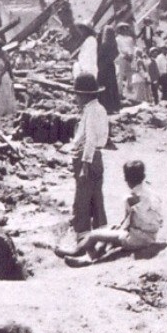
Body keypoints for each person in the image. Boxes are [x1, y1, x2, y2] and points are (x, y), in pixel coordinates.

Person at [55, 160, 163, 261]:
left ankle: (77, 253)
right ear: (143, 176)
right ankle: (93, 257)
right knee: (110, 230)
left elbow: (130, 219)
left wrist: (123, 228)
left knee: (93, 235)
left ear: (126, 179)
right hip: (150, 235)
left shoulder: (132, 198)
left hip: (138, 238)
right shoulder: (150, 193)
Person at [68, 73, 109, 239]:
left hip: (88, 158)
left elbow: (91, 139)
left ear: (84, 95)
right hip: (96, 157)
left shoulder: (92, 111)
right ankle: (101, 235)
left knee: (83, 200)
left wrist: (84, 165)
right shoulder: (99, 109)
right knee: (96, 198)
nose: (76, 98)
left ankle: (82, 238)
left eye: (77, 95)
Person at [97, 25, 121, 113]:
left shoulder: (104, 44)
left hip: (102, 66)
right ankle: (113, 106)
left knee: (103, 86)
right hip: (110, 66)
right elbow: (116, 53)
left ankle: (106, 106)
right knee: (112, 86)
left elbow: (99, 55)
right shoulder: (113, 43)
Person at [115, 22, 137, 99]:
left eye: (126, 28)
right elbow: (118, 50)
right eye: (123, 29)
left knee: (130, 75)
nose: (125, 30)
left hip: (129, 58)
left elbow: (132, 48)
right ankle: (119, 92)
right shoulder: (117, 39)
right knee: (120, 75)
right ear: (120, 30)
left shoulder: (130, 39)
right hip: (122, 58)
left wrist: (131, 56)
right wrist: (124, 55)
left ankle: (129, 92)